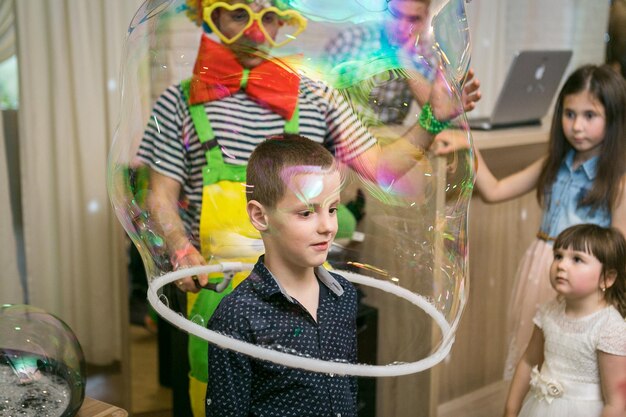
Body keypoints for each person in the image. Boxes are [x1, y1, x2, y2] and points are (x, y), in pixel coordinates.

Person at [138, 0, 479, 414]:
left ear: (284, 20)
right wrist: (178, 247)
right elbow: (159, 196)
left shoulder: (318, 96)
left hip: (309, 293)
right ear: (206, 16)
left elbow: (381, 168)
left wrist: (432, 118)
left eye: (267, 17)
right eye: (238, 14)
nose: (254, 31)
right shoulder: (177, 103)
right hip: (219, 295)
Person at [436, 64, 626, 380]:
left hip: (586, 281)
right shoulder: (554, 163)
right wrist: (467, 145)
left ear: (614, 119)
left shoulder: (617, 182)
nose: (577, 126)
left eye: (590, 116)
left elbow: (618, 248)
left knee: (568, 362)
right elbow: (495, 190)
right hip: (541, 267)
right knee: (533, 352)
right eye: (569, 114)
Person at [205, 134, 358, 417]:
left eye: (332, 209)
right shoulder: (237, 317)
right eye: (306, 213)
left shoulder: (344, 296)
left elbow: (347, 389)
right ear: (261, 217)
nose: (327, 226)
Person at [503, 224, 626, 417]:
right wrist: (511, 410)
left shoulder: (610, 328)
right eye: (558, 256)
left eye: (577, 259)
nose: (561, 265)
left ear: (607, 278)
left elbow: (616, 403)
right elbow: (528, 361)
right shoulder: (548, 312)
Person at [325, 0, 481, 125]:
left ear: (426, 17)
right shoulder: (352, 40)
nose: (402, 27)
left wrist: (403, 60)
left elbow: (438, 109)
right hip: (343, 132)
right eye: (397, 15)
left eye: (413, 19)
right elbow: (322, 101)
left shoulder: (426, 54)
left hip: (392, 136)